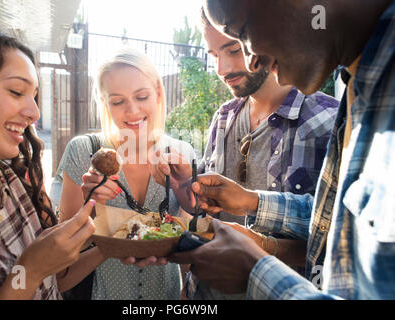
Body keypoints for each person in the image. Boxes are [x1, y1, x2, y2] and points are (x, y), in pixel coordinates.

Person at [169, 0, 395, 299]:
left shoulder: (333, 111)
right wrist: (251, 202)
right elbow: (327, 222)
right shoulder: (361, 87)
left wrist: (256, 269)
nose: (252, 61)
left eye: (242, 37)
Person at [152, 7, 338, 299]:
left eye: (233, 50)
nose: (222, 69)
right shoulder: (223, 117)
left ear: (263, 37)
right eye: (213, 56)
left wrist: (263, 248)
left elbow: (333, 243)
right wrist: (185, 184)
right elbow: (205, 213)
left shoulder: (328, 122)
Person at [0, 19, 101, 299]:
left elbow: (56, 280)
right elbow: (35, 273)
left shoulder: (16, 180)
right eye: (17, 92)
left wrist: (111, 247)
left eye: (35, 96)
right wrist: (28, 271)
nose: (34, 113)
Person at [57, 48, 196, 300]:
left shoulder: (181, 154)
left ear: (158, 93)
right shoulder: (83, 152)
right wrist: (93, 210)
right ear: (104, 103)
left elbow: (186, 244)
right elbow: (61, 271)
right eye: (118, 101)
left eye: (141, 96)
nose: (131, 111)